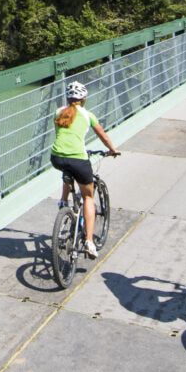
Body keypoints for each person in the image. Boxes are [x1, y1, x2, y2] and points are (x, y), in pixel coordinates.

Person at [49, 80, 120, 258]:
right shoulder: (88, 115)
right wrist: (113, 150)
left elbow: (62, 136)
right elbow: (102, 136)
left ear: (68, 98)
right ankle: (89, 241)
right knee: (88, 196)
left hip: (56, 157)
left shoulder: (58, 113)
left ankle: (64, 202)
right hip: (78, 159)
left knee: (68, 171)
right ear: (83, 99)